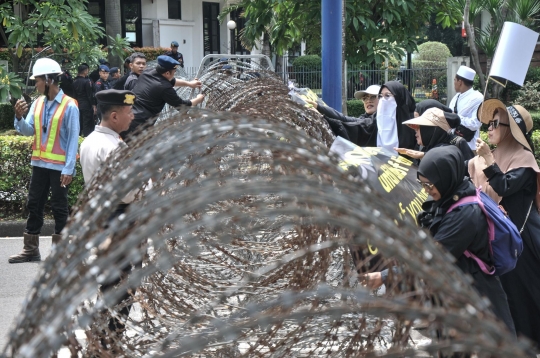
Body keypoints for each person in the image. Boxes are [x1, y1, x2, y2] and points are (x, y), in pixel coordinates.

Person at [363, 146, 516, 335]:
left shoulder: (465, 214)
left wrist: (385, 276)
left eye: (430, 185)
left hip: (478, 296)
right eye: (423, 184)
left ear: (445, 177)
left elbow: (432, 259)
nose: (427, 190)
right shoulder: (453, 193)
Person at [470, 99, 540, 347]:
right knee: (507, 295)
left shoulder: (524, 160)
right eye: (489, 123)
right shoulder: (493, 154)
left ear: (511, 128)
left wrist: (488, 159)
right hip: (501, 239)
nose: (489, 128)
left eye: (496, 123)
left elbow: (504, 186)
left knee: (526, 295)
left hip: (524, 240)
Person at [79, 89, 140, 344]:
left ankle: (102, 340)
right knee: (120, 287)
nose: (133, 115)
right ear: (114, 116)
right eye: (129, 112)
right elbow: (127, 193)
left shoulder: (93, 141)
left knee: (110, 283)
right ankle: (108, 343)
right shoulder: (112, 147)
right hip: (118, 219)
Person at [9, 58, 79, 263]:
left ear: (48, 80)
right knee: (34, 205)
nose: (35, 84)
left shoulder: (70, 105)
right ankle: (31, 250)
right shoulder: (38, 103)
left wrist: (69, 169)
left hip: (59, 168)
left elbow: (73, 139)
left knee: (59, 207)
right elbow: (28, 131)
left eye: (37, 80)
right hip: (39, 165)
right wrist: (19, 117)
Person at [122, 55, 204, 139]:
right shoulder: (164, 88)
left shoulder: (148, 72)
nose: (174, 74)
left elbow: (172, 80)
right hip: (139, 125)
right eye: (174, 72)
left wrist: (189, 83)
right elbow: (182, 106)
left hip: (127, 116)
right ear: (167, 73)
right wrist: (198, 99)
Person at [305, 85, 380, 147]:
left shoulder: (380, 120)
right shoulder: (364, 118)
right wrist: (318, 108)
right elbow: (350, 121)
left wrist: (319, 110)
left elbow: (348, 121)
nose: (368, 101)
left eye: (373, 97)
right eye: (365, 98)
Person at [397, 105, 474, 162]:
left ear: (431, 129)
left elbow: (466, 169)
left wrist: (425, 156)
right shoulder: (425, 146)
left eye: (419, 127)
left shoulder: (457, 143)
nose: (415, 130)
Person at [447, 65, 484, 150]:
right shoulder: (456, 97)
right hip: (453, 144)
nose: (454, 83)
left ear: (460, 82)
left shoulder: (478, 98)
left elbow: (475, 124)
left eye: (454, 80)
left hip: (469, 147)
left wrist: (456, 117)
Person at [376, 81, 417, 151]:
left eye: (387, 95)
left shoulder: (413, 119)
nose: (383, 100)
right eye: (380, 96)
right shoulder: (377, 118)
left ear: (399, 97)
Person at [73, 64, 97, 137]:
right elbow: (89, 95)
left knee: (79, 121)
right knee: (87, 122)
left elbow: (74, 95)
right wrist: (93, 105)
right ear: (85, 71)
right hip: (86, 104)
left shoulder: (74, 81)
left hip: (77, 104)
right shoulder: (86, 81)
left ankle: (79, 136)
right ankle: (86, 137)